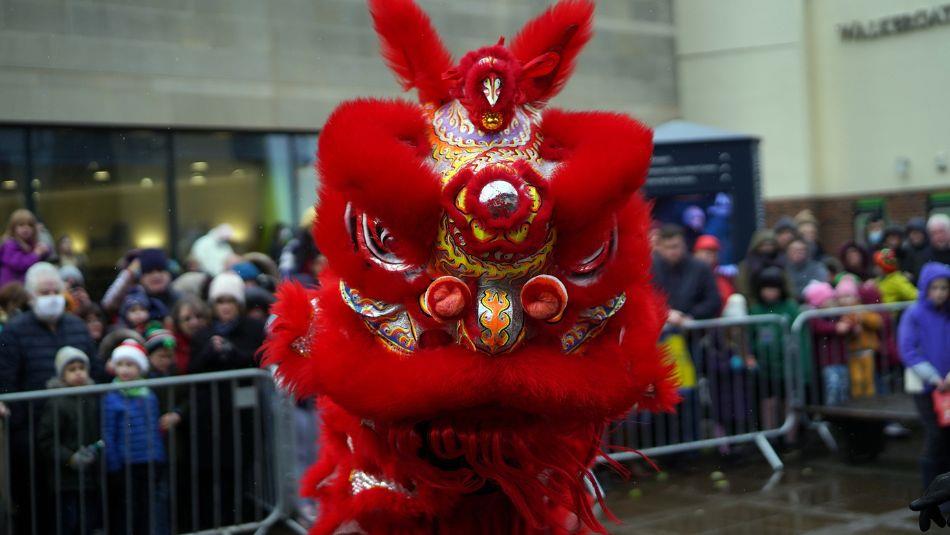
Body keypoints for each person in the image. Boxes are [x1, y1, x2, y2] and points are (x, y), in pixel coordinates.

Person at [188, 272, 264, 528]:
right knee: (210, 475)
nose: (225, 307)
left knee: (237, 472)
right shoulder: (203, 334)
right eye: (220, 301)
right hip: (209, 417)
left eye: (230, 301)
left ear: (239, 304)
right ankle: (212, 524)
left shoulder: (252, 328)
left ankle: (235, 524)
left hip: (240, 415)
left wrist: (232, 353)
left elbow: (258, 359)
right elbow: (192, 370)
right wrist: (210, 351)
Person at [102, 339, 170, 535]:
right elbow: (109, 431)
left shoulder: (148, 395)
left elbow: (154, 429)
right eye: (120, 365)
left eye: (130, 365)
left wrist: (159, 456)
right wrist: (113, 463)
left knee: (148, 507)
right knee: (128, 510)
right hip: (125, 462)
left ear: (139, 368)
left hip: (148, 459)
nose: (124, 370)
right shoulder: (112, 396)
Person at [37, 346, 102, 534]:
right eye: (72, 369)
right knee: (69, 522)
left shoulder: (91, 397)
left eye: (81, 368)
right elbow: (47, 441)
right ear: (62, 375)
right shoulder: (57, 402)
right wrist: (70, 458)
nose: (79, 373)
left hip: (89, 474)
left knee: (88, 521)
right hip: (65, 478)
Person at [899, 262, 950, 493]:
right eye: (935, 287)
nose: (940, 293)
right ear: (925, 288)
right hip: (925, 386)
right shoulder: (915, 313)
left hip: (948, 384)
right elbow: (908, 349)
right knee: (935, 434)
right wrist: (933, 377)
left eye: (944, 287)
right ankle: (932, 492)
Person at [650, 224, 721, 325]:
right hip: (662, 330)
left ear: (684, 244)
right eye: (667, 247)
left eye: (675, 246)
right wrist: (665, 313)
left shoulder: (700, 268)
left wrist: (690, 316)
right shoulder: (652, 268)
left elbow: (713, 300)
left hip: (695, 332)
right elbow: (647, 298)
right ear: (660, 247)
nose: (672, 252)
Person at [835, 276, 883, 399]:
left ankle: (870, 402)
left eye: (848, 296)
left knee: (868, 379)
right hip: (852, 351)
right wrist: (851, 328)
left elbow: (877, 322)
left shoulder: (862, 310)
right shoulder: (841, 313)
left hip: (866, 350)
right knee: (856, 379)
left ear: (855, 296)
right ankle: (859, 402)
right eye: (842, 297)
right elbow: (845, 330)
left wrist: (863, 318)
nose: (845, 300)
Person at [102, 248, 179, 319]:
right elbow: (107, 304)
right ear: (140, 277)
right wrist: (129, 273)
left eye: (160, 270)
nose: (156, 275)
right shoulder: (132, 299)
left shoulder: (178, 298)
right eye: (149, 271)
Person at [0, 209, 50, 287]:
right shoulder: (9, 245)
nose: (26, 228)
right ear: (13, 228)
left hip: (27, 286)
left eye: (30, 225)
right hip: (12, 287)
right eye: (21, 225)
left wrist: (45, 250)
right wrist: (36, 254)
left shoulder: (31, 244)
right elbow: (19, 264)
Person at [736, 229, 783, 298]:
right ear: (757, 246)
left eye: (771, 244)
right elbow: (743, 287)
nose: (767, 247)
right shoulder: (746, 265)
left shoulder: (781, 262)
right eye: (764, 245)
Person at [692, 234, 734, 309]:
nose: (709, 255)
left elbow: (727, 296)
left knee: (737, 300)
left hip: (719, 315)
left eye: (713, 252)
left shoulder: (722, 277)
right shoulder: (687, 274)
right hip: (692, 316)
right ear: (695, 254)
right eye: (705, 251)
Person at [170, 296, 211, 374]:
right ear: (178, 323)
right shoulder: (173, 345)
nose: (194, 323)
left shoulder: (214, 339)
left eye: (199, 316)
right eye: (187, 319)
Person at [785, 236, 829, 301]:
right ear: (788, 252)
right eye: (793, 250)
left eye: (800, 250)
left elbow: (820, 285)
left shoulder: (817, 267)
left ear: (807, 252)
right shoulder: (784, 269)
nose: (797, 253)